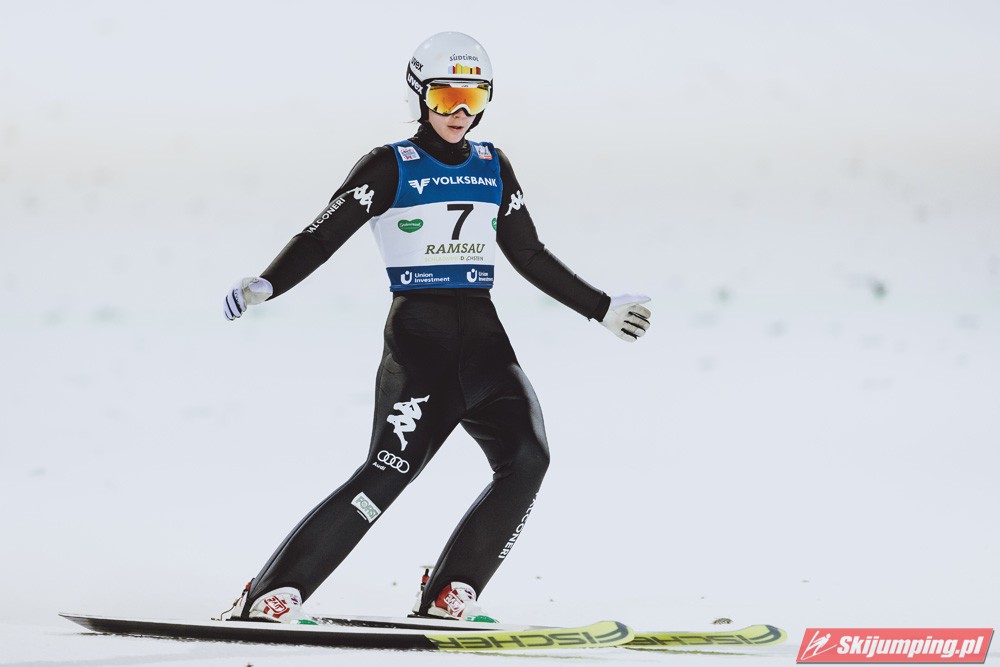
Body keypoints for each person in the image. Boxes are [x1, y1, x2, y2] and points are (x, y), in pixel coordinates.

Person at [221, 31, 651, 625]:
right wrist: (269, 283)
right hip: (420, 346)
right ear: (419, 95)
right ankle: (273, 591)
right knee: (385, 475)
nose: (460, 112)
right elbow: (322, 236)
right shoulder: (389, 165)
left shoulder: (493, 165)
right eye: (446, 97)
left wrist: (600, 307)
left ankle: (453, 588)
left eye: (475, 98)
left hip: (485, 347)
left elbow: (527, 253)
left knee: (528, 459)